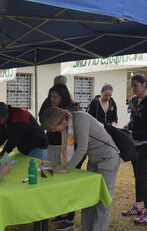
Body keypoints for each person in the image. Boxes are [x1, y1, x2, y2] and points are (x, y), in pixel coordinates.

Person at [40, 107, 120, 231]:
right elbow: (67, 152)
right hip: (94, 160)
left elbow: (82, 148)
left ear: (62, 121)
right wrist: (54, 166)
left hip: (108, 158)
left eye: (54, 128)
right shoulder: (68, 128)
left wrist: (67, 168)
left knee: (102, 202)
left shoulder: (80, 119)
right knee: (89, 199)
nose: (54, 131)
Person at [38, 84, 80, 230]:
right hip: (52, 146)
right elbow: (42, 118)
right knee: (52, 178)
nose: (52, 99)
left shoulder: (70, 111)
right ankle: (61, 212)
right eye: (50, 96)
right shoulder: (47, 105)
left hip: (66, 150)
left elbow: (79, 144)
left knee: (66, 181)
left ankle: (70, 218)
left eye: (55, 97)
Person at [122, 74, 147, 225]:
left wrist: (134, 133)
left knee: (142, 177)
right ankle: (138, 206)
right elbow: (134, 119)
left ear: (144, 84)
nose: (133, 88)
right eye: (132, 86)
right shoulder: (134, 100)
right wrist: (128, 126)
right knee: (137, 176)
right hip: (135, 143)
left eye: (135, 85)